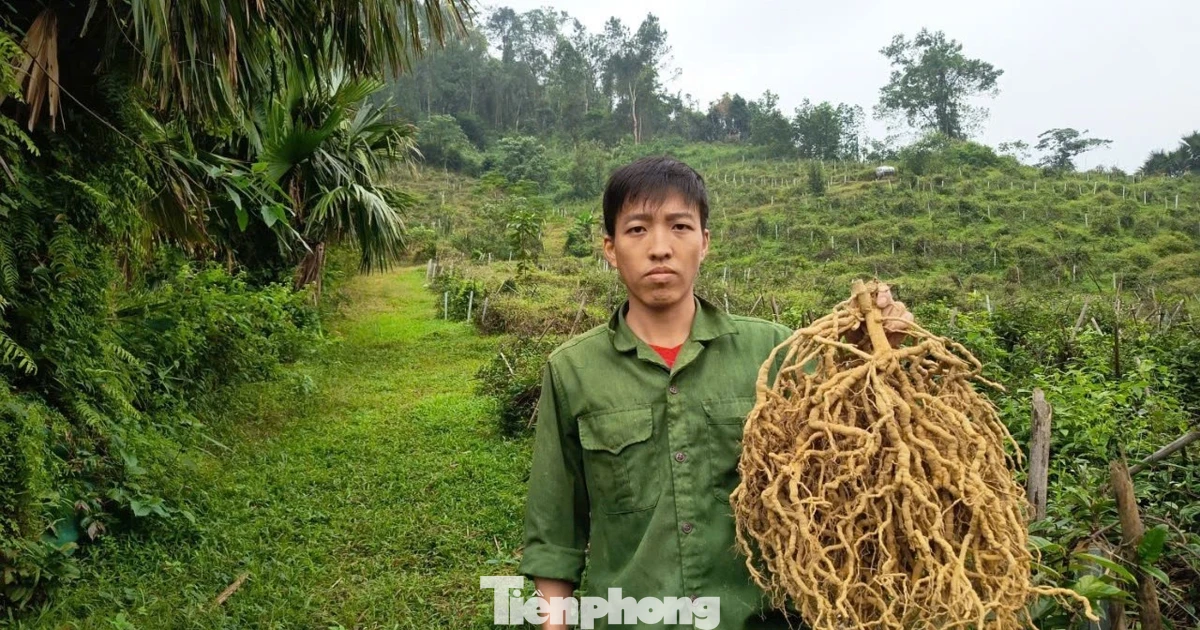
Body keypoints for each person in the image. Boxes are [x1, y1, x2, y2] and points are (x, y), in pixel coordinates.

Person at [517, 156, 910, 629]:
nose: (660, 248)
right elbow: (556, 532)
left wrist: (879, 354)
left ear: (704, 243)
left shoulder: (774, 351)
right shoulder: (572, 370)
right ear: (610, 247)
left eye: (679, 226)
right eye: (637, 229)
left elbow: (854, 459)